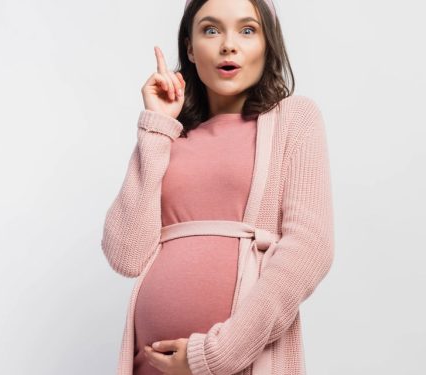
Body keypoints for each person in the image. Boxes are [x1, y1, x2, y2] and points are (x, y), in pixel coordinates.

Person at [100, 0, 335, 374]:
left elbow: (310, 248)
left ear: (267, 44)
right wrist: (156, 127)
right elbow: (125, 254)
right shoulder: (169, 134)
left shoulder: (294, 119)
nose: (228, 44)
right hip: (152, 365)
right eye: (211, 30)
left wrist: (214, 356)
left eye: (247, 30)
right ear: (190, 48)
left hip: (243, 361)